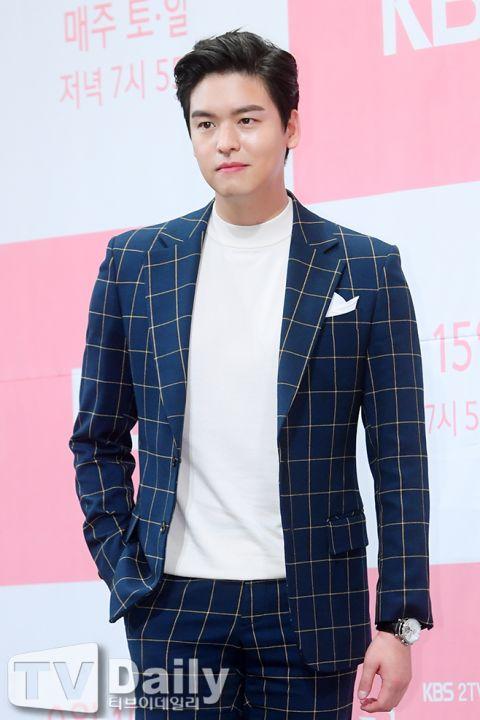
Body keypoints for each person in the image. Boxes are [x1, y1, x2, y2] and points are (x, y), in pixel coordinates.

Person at [69, 28, 434, 719]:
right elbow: (98, 437)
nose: (225, 142)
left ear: (291, 127)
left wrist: (399, 620)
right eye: (205, 124)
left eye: (247, 119)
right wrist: (124, 568)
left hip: (311, 604)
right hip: (174, 604)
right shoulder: (136, 264)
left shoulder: (366, 268)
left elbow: (400, 459)